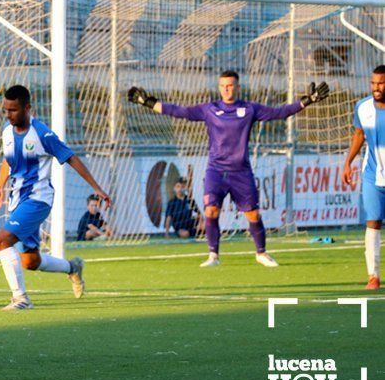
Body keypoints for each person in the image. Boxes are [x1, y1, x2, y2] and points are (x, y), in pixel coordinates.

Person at [128, 70, 329, 267]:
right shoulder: (210, 109)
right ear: (219, 88)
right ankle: (213, 255)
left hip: (241, 172)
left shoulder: (250, 109)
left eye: (230, 85)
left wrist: (307, 100)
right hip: (216, 171)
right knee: (211, 210)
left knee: (253, 215)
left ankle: (261, 253)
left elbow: (279, 113)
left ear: (238, 87)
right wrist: (149, 103)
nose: (227, 89)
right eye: (223, 86)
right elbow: (181, 111)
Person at [0, 85, 111, 310]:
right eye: (5, 110)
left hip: (38, 199)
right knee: (30, 261)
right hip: (17, 200)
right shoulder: (7, 131)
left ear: (27, 108)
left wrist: (97, 188)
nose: (8, 114)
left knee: (2, 241)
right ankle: (72, 267)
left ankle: (21, 299)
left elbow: (71, 157)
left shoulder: (42, 133)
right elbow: (8, 160)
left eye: (13, 110)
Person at [342, 64, 385, 290]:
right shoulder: (362, 107)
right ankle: (373, 276)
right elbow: (359, 135)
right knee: (373, 223)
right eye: (374, 83)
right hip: (373, 176)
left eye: (381, 83)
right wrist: (348, 162)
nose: (376, 87)